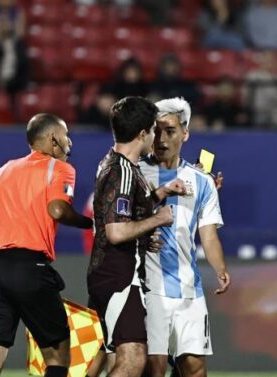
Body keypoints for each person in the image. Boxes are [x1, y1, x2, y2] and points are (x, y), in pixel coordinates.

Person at [0, 113, 93, 377]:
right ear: (53, 139)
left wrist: (6, 259)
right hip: (30, 267)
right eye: (66, 136)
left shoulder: (1, 172)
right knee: (58, 352)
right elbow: (59, 210)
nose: (69, 143)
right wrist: (91, 224)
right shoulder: (59, 168)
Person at [87, 96, 186, 377]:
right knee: (132, 359)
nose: (156, 137)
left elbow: (125, 213)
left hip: (112, 271)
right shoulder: (123, 172)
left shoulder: (113, 164)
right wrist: (159, 218)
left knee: (108, 357)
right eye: (153, 131)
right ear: (143, 134)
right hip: (119, 274)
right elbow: (116, 231)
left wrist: (159, 195)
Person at [140, 97, 231, 377]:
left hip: (188, 289)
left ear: (185, 133)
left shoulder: (201, 181)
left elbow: (208, 233)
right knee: (153, 368)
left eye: (170, 131)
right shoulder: (137, 172)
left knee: (194, 368)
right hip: (147, 287)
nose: (161, 138)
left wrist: (220, 269)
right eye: (157, 131)